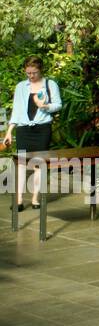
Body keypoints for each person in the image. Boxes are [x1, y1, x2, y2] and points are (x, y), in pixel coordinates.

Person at [2, 56, 62, 211]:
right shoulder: (21, 86)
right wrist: (9, 131)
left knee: (38, 165)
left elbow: (58, 105)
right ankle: (19, 200)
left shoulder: (50, 84)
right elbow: (16, 110)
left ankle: (35, 199)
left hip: (42, 129)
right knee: (21, 164)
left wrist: (45, 106)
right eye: (28, 73)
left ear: (40, 70)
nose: (31, 76)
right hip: (23, 130)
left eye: (34, 72)